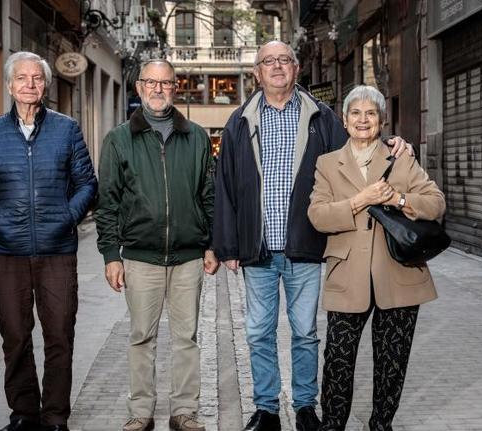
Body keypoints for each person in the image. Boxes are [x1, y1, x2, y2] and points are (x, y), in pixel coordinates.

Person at [212, 41, 410, 431]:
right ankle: (266, 409)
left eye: (284, 59)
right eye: (268, 61)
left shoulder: (321, 117)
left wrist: (394, 145)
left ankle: (305, 406)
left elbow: (358, 148)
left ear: (296, 68)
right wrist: (227, 246)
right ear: (257, 72)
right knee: (258, 332)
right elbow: (226, 187)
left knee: (305, 333)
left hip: (306, 244)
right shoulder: (239, 121)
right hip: (259, 247)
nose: (277, 67)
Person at [0, 51, 97, 431]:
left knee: (59, 337)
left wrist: (67, 218)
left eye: (36, 78)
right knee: (16, 336)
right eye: (22, 78)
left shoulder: (66, 130)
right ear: (9, 86)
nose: (30, 85)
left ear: (46, 86)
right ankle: (23, 414)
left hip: (57, 253)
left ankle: (54, 417)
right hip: (7, 254)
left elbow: (88, 183)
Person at [308, 85, 444, 431]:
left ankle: (381, 424)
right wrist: (360, 200)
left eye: (371, 113)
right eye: (356, 112)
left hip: (398, 272)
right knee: (338, 358)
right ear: (344, 119)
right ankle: (333, 425)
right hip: (347, 272)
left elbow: (436, 204)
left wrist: (399, 199)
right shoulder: (327, 163)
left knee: (392, 360)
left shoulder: (401, 158)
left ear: (382, 121)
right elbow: (318, 215)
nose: (363, 120)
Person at [95, 59, 218, 431]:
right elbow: (108, 201)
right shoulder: (119, 139)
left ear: (175, 88)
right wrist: (110, 255)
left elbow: (208, 194)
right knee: (141, 337)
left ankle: (184, 412)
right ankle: (141, 413)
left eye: (166, 83)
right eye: (151, 82)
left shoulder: (196, 136)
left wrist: (212, 244)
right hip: (140, 256)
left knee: (186, 338)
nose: (158, 89)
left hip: (188, 256)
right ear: (139, 88)